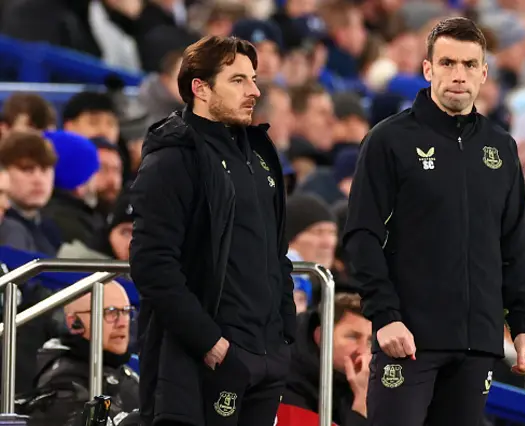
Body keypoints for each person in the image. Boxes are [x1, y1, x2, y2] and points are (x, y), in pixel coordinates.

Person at [343, 17, 525, 426]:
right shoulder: (388, 140)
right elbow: (361, 236)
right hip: (408, 340)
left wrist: (522, 324)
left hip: (478, 345)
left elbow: (515, 245)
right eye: (448, 63)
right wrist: (385, 316)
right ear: (428, 69)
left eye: (470, 65)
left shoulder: (501, 147)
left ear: (484, 73)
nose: (459, 75)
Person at [129, 35, 296, 426]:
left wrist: (285, 333)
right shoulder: (172, 158)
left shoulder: (260, 154)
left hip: (266, 357)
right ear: (199, 88)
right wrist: (209, 340)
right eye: (238, 80)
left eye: (253, 79)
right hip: (202, 360)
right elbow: (153, 264)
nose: (254, 90)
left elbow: (277, 252)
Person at [17, 282, 138, 426]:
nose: (122, 322)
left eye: (126, 311)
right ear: (74, 322)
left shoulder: (122, 371)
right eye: (110, 312)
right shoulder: (64, 379)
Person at [283, 293, 371, 425]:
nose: (363, 350)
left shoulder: (358, 379)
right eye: (352, 337)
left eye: (370, 341)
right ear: (321, 336)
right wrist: (361, 402)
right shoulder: (287, 383)